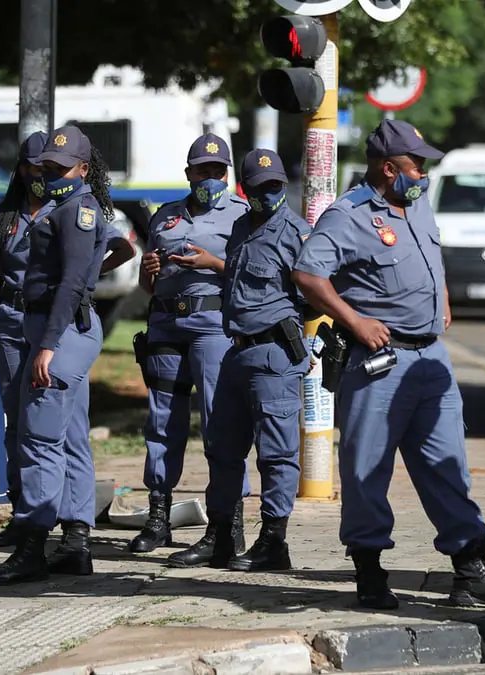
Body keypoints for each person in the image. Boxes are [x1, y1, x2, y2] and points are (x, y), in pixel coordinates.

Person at [292, 119, 485, 612]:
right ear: (387, 168)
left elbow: (430, 258)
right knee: (367, 468)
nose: (421, 172)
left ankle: (469, 570)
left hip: (430, 358)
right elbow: (308, 274)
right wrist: (354, 320)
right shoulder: (349, 215)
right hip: (379, 361)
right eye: (415, 164)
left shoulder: (416, 204)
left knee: (447, 465)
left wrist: (440, 294)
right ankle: (369, 570)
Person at [0, 132, 134, 550]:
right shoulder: (7, 214)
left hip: (59, 325)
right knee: (21, 425)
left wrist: (91, 277)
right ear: (21, 170)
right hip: (15, 320)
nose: (42, 174)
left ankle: (74, 526)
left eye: (49, 166)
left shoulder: (73, 209)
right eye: (36, 166)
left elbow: (116, 252)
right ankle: (26, 518)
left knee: (66, 428)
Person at [130, 133, 252, 566]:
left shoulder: (241, 215)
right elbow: (147, 285)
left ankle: (228, 522)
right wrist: (149, 272)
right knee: (162, 422)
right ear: (189, 173)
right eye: (203, 170)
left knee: (221, 420)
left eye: (218, 171)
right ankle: (158, 517)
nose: (211, 178)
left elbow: (252, 275)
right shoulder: (165, 218)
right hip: (165, 322)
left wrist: (213, 264)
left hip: (213, 325)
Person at [199, 148, 310, 571]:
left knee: (276, 454)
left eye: (275, 186)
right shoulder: (242, 226)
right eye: (260, 187)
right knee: (222, 448)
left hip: (273, 355)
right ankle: (223, 537)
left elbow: (311, 298)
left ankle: (273, 544)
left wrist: (297, 343)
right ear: (244, 188)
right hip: (237, 350)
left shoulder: (296, 234)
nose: (269, 194)